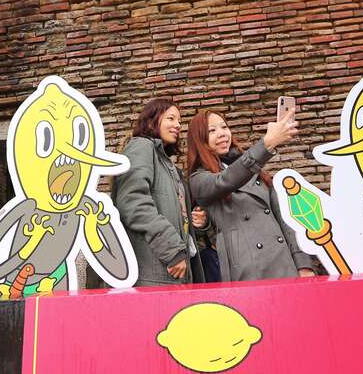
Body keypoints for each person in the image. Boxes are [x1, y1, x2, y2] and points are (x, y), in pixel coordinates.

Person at [187, 108, 315, 282]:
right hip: (247, 268)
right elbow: (228, 179)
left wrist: (303, 263)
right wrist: (267, 143)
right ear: (199, 139)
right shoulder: (199, 179)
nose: (222, 133)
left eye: (224, 127)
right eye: (212, 130)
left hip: (284, 262)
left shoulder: (255, 170)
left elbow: (284, 218)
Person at [112, 99, 205, 286]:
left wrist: (198, 221)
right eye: (171, 118)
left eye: (179, 121)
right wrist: (172, 250)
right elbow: (132, 202)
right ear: (150, 122)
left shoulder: (169, 166)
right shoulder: (141, 146)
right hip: (155, 272)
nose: (178, 125)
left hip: (175, 272)